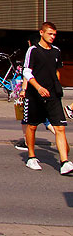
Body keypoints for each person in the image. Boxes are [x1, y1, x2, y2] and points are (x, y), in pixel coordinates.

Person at [20, 22, 71, 175]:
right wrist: (38, 87)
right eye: (50, 34)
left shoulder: (56, 51)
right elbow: (27, 72)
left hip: (53, 95)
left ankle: (64, 162)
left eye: (54, 34)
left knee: (60, 127)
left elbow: (56, 70)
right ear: (41, 33)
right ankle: (31, 157)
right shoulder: (33, 50)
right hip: (35, 95)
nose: (53, 37)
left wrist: (56, 84)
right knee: (32, 126)